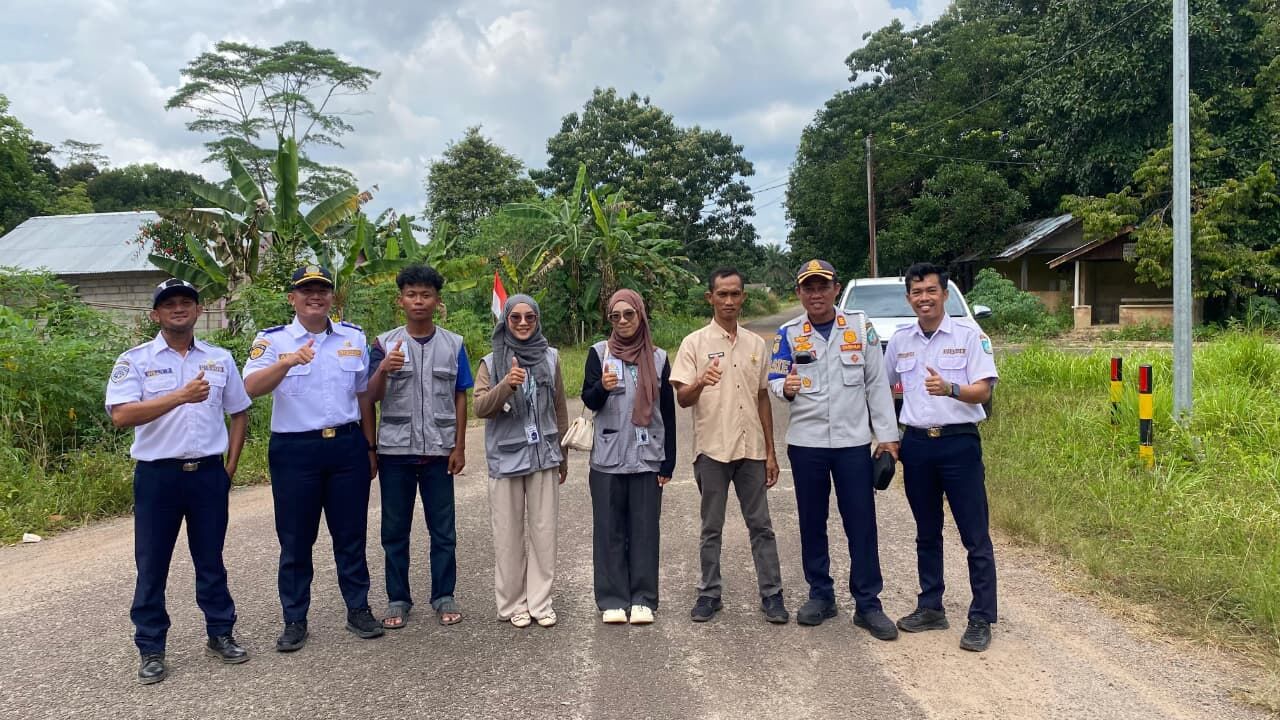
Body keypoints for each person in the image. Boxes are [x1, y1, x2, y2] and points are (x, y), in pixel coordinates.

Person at [105, 278, 252, 684]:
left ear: (198, 311)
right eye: (168, 304)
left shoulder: (219, 359)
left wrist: (231, 467)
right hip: (158, 477)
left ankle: (220, 633)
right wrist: (179, 396)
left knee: (211, 560)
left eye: (186, 302)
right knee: (152, 565)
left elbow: (239, 411)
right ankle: (151, 648)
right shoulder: (134, 359)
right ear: (155, 314)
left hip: (207, 474)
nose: (178, 309)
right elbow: (121, 416)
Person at [242, 265, 383, 652]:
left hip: (346, 447)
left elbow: (363, 395)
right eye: (306, 291)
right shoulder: (272, 341)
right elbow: (250, 387)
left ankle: (358, 609)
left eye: (322, 290)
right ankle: (294, 618)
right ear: (293, 298)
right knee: (295, 539)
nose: (315, 296)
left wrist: (369, 448)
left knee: (351, 535)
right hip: (295, 451)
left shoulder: (352, 337)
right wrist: (286, 363)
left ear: (331, 297)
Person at [766, 259, 901, 639]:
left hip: (853, 443)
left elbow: (877, 384)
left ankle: (868, 603)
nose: (816, 294)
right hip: (806, 443)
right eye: (808, 287)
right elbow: (775, 379)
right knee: (812, 522)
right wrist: (785, 388)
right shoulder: (788, 334)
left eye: (822, 286)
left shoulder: (859, 327)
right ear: (799, 293)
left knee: (861, 523)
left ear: (836, 288)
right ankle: (820, 595)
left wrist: (887, 438)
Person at [884, 262, 999, 652]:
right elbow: (883, 389)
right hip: (916, 446)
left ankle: (981, 617)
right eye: (917, 293)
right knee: (926, 531)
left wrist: (950, 388)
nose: (924, 298)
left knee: (974, 534)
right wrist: (887, 437)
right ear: (909, 298)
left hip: (959, 444)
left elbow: (983, 391)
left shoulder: (969, 335)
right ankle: (931, 606)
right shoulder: (901, 341)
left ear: (945, 295)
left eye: (931, 291)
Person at [670, 268, 789, 624]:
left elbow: (763, 398)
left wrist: (770, 451)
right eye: (722, 294)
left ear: (743, 298)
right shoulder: (694, 344)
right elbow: (682, 399)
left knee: (761, 526)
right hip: (713, 450)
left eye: (735, 294)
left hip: (751, 450)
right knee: (711, 527)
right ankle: (709, 593)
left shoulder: (755, 344)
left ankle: (772, 595)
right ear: (710, 297)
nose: (729, 301)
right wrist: (700, 383)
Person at [364, 264, 472, 629]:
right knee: (395, 530)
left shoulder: (453, 344)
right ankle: (398, 598)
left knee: (443, 530)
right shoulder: (383, 344)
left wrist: (459, 446)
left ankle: (444, 595)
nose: (419, 301)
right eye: (412, 294)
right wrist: (384, 370)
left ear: (437, 301)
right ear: (401, 301)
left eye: (426, 295)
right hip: (395, 453)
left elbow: (460, 397)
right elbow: (369, 398)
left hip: (439, 452)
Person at [473, 294, 569, 629]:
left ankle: (541, 602)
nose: (524, 323)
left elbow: (559, 407)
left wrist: (563, 454)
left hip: (544, 456)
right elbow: (481, 407)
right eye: (516, 318)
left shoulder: (551, 357)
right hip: (506, 457)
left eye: (530, 317)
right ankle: (513, 603)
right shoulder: (490, 361)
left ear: (538, 319)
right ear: (506, 322)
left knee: (544, 532)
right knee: (508, 535)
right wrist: (505, 385)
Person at [581, 289, 677, 625]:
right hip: (607, 458)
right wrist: (603, 387)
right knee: (609, 529)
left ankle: (643, 599)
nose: (622, 321)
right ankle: (611, 599)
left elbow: (668, 412)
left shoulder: (659, 357)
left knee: (645, 529)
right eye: (615, 316)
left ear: (640, 314)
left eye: (629, 314)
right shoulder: (599, 353)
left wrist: (669, 461)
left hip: (648, 456)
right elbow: (589, 401)